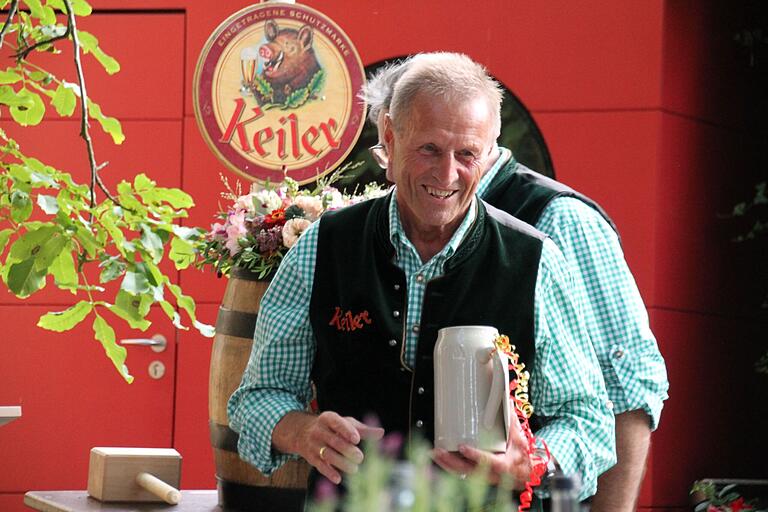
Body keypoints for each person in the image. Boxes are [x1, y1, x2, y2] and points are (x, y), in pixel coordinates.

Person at [228, 52, 615, 506]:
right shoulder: (324, 245)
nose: (447, 174)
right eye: (429, 148)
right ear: (389, 136)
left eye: (467, 154)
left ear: (489, 154)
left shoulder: (536, 260)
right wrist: (303, 431)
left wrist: (528, 463)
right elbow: (257, 398)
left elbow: (586, 420)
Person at [361, 53, 670, 511]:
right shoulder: (394, 227)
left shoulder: (559, 219)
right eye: (418, 147)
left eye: (449, 147)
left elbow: (627, 389)